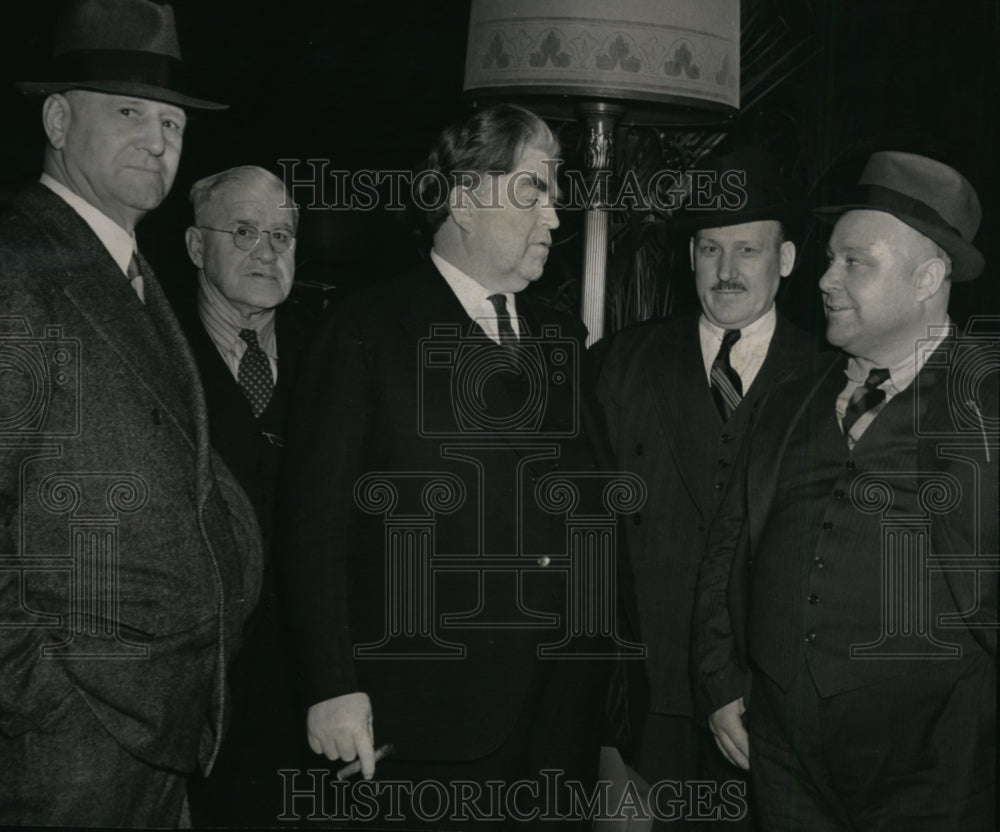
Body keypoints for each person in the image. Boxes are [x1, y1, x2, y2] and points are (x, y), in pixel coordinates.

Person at [280, 103, 644, 827]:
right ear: (466, 198)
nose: (554, 217)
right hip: (430, 716)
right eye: (534, 190)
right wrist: (331, 684)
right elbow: (312, 524)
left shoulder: (559, 334)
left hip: (562, 715)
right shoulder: (366, 329)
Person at [0, 1, 262, 827]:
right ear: (57, 120)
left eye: (172, 122)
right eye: (128, 113)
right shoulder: (19, 268)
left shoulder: (125, 270)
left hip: (157, 733)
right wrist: (41, 700)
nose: (157, 140)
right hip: (70, 749)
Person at [693, 150, 997, 830]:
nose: (826, 279)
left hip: (936, 772)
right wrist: (719, 682)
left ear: (928, 278)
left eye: (855, 262)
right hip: (782, 761)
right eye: (831, 258)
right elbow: (727, 548)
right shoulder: (787, 400)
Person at [594, 149, 815, 828]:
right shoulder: (620, 363)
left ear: (785, 259)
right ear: (690, 256)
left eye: (748, 249)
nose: (726, 271)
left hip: (767, 706)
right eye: (711, 249)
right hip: (643, 698)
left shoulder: (828, 376)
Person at [178, 166, 315, 826]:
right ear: (195, 246)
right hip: (195, 691)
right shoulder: (154, 351)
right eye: (243, 231)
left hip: (305, 689)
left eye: (281, 236)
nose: (266, 251)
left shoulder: (334, 351)